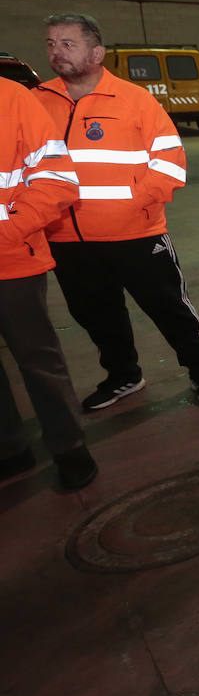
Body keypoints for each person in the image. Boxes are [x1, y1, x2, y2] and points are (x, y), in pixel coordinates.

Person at [34, 13, 199, 411]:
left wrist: (136, 206)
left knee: (169, 309)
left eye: (68, 43)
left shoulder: (134, 100)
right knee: (96, 316)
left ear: (97, 52)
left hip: (136, 235)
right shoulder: (37, 101)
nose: (56, 51)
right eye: (51, 43)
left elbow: (170, 161)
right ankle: (124, 376)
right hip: (67, 240)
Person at [0, 77, 98, 492]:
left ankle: (69, 447)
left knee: (37, 359)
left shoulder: (12, 99)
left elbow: (57, 179)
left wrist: (8, 233)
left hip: (11, 260)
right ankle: (9, 449)